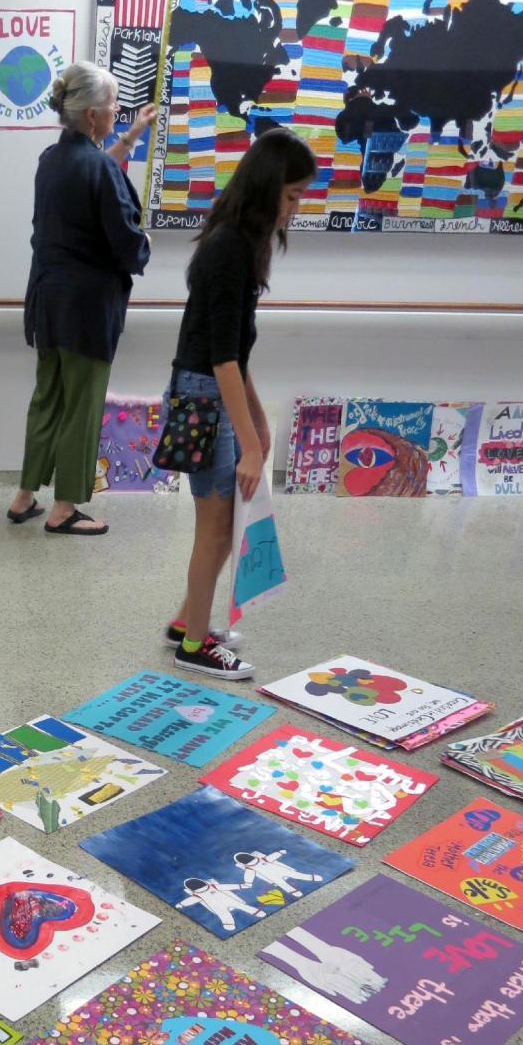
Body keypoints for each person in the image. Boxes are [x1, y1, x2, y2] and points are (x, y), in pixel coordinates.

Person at [164, 127, 316, 677]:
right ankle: (194, 646)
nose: (294, 209)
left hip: (208, 393)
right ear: (267, 186)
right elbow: (222, 360)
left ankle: (188, 621)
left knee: (221, 522)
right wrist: (250, 444)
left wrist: (257, 424)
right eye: (292, 195)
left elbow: (235, 352)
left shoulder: (238, 244)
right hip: (202, 398)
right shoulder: (229, 249)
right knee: (217, 525)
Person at [8, 63, 154, 535]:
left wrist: (129, 135)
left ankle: (24, 497)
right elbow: (127, 243)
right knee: (82, 406)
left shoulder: (52, 159)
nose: (118, 110)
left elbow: (96, 170)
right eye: (113, 105)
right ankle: (64, 508)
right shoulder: (93, 168)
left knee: (48, 398)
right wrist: (144, 243)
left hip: (47, 300)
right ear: (92, 115)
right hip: (88, 308)